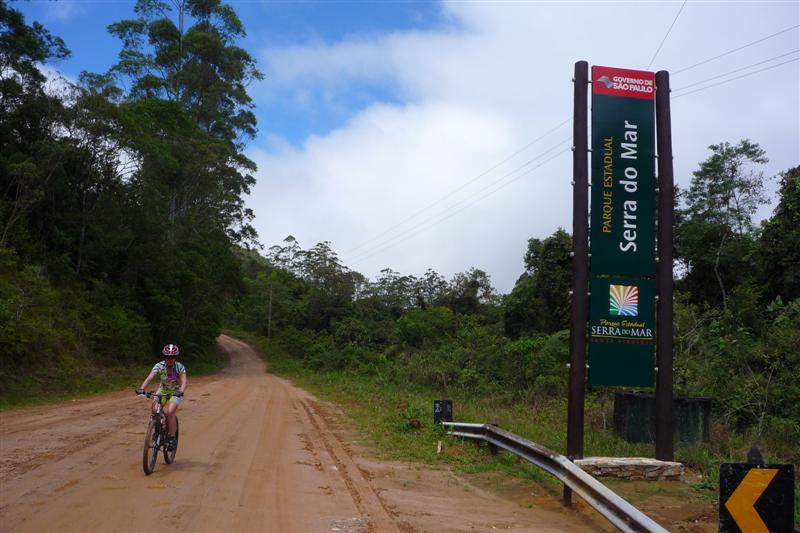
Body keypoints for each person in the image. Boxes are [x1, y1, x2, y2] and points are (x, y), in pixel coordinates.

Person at [136, 344, 187, 451]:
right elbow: (149, 378)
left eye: (172, 357)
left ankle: (172, 438)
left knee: (170, 412)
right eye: (168, 357)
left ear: (175, 357)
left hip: (175, 391)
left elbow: (183, 381)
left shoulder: (179, 367)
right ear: (164, 357)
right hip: (163, 390)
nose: (170, 359)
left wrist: (181, 391)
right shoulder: (159, 366)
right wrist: (142, 389)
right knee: (155, 410)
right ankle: (159, 428)